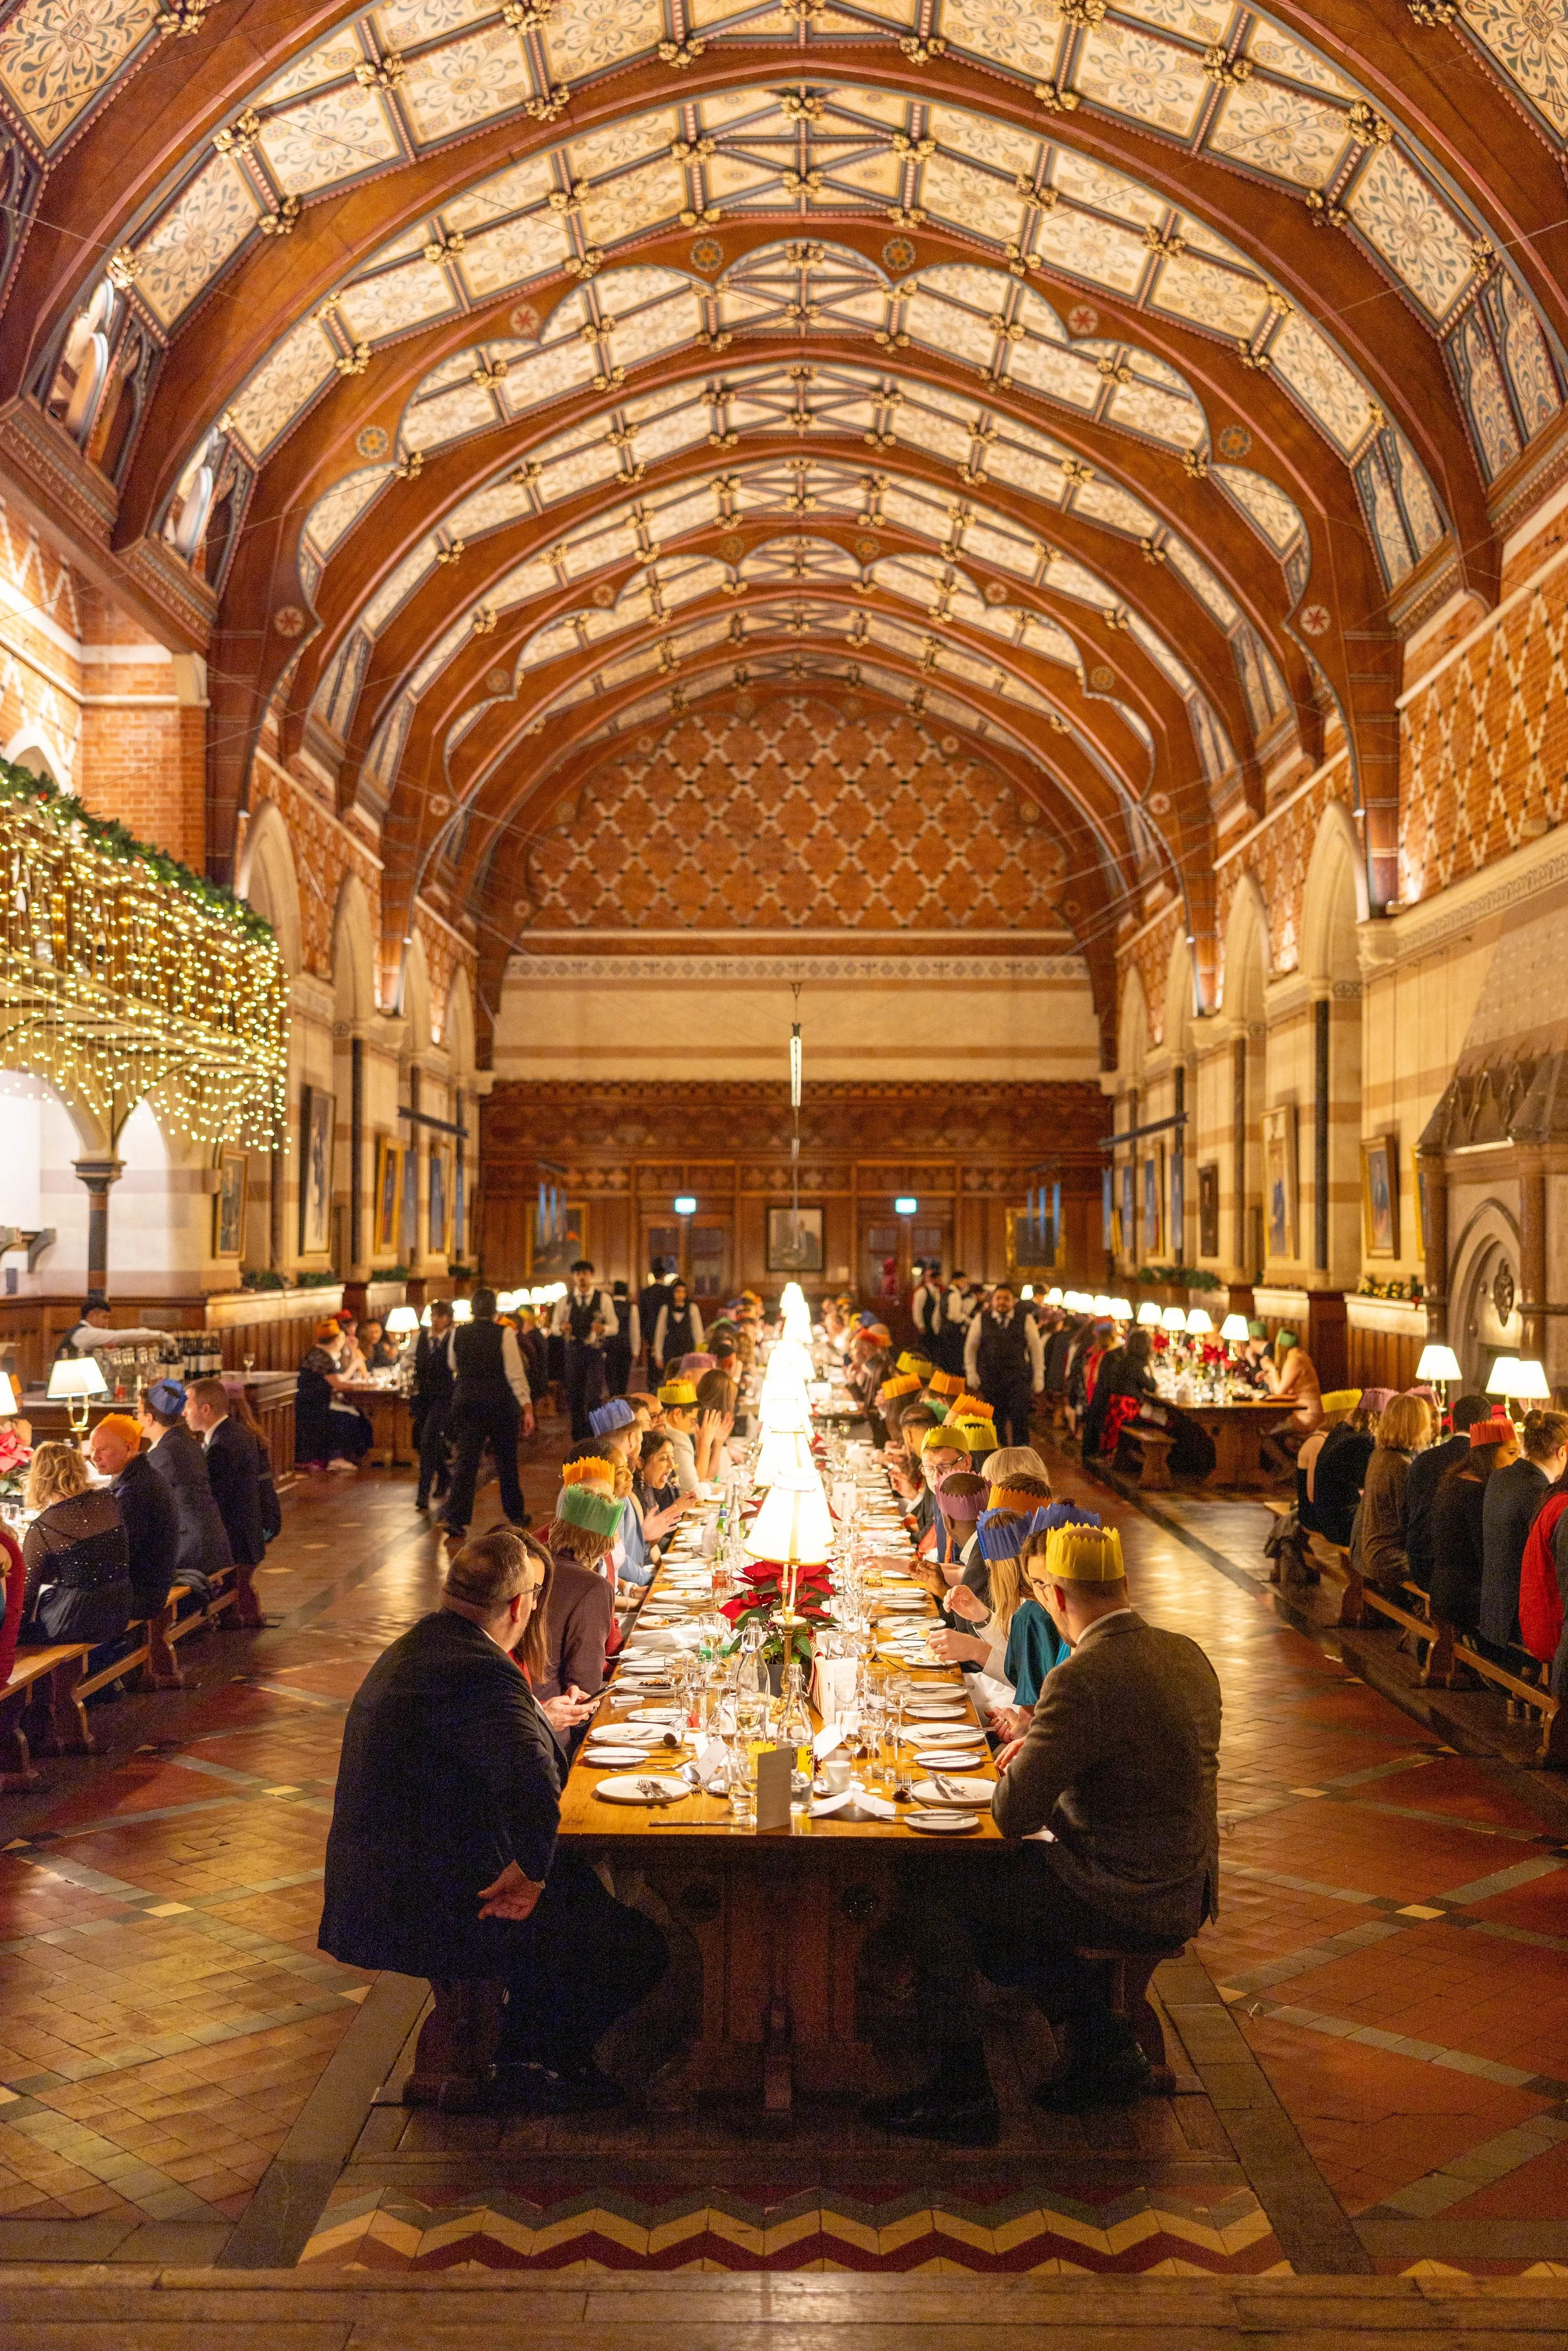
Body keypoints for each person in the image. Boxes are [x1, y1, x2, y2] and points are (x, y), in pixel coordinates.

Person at [866, 1522, 1220, 2141]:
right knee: (999, 1913)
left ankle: (963, 2094)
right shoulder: (1186, 1652)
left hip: (1123, 1888)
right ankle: (1103, 2046)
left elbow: (1012, 1816)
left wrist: (1033, 1756)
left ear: (1054, 1596)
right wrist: (1048, 1746)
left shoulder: (1082, 1676)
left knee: (933, 1884)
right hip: (1187, 1879)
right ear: (1123, 1584)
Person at [319, 1528, 664, 2111]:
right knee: (636, 1946)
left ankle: (521, 2044)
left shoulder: (427, 1645)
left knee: (581, 1888)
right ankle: (534, 2062)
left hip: (399, 1874)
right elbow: (533, 1782)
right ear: (520, 1606)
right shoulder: (479, 1671)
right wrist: (530, 1873)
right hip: (437, 1895)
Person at [443, 1288, 536, 1543]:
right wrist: (527, 1407)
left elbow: (452, 1364)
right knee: (506, 1460)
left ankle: (456, 1519)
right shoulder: (505, 1333)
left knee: (466, 1462)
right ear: (495, 1309)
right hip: (498, 1403)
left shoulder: (459, 1332)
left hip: (467, 1401)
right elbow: (515, 1373)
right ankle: (515, 1513)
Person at [19, 1440, 132, 1646]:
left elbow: (26, 1593)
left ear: (40, 1476)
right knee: (49, 1597)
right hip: (119, 1608)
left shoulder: (44, 1526)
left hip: (78, 1619)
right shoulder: (107, 1498)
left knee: (27, 1630)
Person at [1480, 1407, 1568, 1655]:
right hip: (1518, 1620)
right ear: (1563, 1452)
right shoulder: (1542, 1494)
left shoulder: (1500, 1477)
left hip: (1492, 1612)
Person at [139, 1377, 231, 1600]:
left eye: (138, 1413)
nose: (136, 1418)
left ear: (149, 1419)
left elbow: (143, 1499)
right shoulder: (184, 1441)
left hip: (193, 1550)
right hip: (212, 1541)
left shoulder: (164, 1454)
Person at [539, 1463, 621, 1711]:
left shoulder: (538, 1563)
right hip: (558, 1714)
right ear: (605, 1546)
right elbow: (585, 1685)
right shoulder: (593, 1587)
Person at [85, 1413, 179, 1624]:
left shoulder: (135, 1490)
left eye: (103, 1449)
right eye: (92, 1450)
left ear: (128, 1449)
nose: (94, 1457)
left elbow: (114, 1552)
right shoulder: (138, 1477)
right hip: (142, 1588)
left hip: (140, 1596)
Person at [184, 1377, 265, 1624]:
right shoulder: (236, 1432)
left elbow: (213, 1499)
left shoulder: (221, 1446)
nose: (184, 1413)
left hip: (236, 1543)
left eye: (188, 1406)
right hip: (248, 1535)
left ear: (205, 1409)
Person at [1429, 1416, 1518, 1637]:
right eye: (1511, 1453)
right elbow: (1488, 1559)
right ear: (1489, 1454)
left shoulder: (1456, 1481)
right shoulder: (1477, 1494)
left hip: (1444, 1588)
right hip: (1464, 1596)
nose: (1518, 1461)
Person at [1406, 1392, 1490, 1592]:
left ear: (1452, 1424)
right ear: (1488, 1426)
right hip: (1452, 1574)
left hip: (1418, 1562)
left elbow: (1406, 1513)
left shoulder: (1423, 1459)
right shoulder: (1483, 1463)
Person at [1354, 1391, 1429, 1593]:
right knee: (1443, 1568)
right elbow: (1410, 1522)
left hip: (1369, 1548)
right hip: (1387, 1557)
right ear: (1415, 1425)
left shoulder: (1380, 1455)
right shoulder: (1400, 1465)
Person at [963, 1282, 1044, 1449]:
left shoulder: (1026, 1319)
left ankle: (1022, 1457)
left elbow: (1036, 1349)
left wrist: (1039, 1376)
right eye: (998, 1298)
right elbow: (971, 1348)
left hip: (1018, 1378)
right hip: (991, 1379)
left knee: (1020, 1420)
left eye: (1006, 1299)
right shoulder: (981, 1318)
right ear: (993, 1300)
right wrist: (971, 1372)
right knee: (995, 1422)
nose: (1002, 1302)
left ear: (1014, 1301)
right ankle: (998, 1457)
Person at [1298, 1390, 1380, 1548]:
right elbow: (1312, 1494)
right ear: (1346, 1413)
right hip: (1313, 1514)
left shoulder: (1332, 1438)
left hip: (1319, 1512)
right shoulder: (1320, 1441)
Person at [551, 1261, 618, 1441]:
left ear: (591, 1275)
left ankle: (595, 1433)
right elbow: (554, 1327)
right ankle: (578, 1436)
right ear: (574, 1277)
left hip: (594, 1352)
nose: (581, 1277)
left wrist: (603, 1328)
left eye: (585, 1273)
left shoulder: (603, 1298)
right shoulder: (565, 1301)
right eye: (578, 1274)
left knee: (593, 1395)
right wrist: (562, 1328)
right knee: (575, 1395)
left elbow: (614, 1326)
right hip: (573, 1352)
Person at [295, 1323, 374, 1473]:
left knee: (357, 1414)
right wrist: (362, 1383)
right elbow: (339, 1383)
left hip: (318, 1403)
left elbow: (339, 1380)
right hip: (313, 1407)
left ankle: (349, 1456)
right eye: (343, 1338)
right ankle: (335, 1458)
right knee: (351, 1417)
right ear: (337, 1340)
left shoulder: (321, 1354)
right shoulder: (321, 1357)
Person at [412, 1300, 456, 1514]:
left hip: (444, 1397)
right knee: (424, 1441)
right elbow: (409, 1360)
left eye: (440, 1316)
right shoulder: (421, 1338)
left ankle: (423, 1493)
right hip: (423, 1397)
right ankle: (445, 1476)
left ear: (448, 1319)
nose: (435, 1320)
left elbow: (455, 1365)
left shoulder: (453, 1338)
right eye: (433, 1315)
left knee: (429, 1438)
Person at [57, 1295, 169, 1357]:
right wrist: (161, 1335)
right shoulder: (84, 1333)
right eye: (105, 1317)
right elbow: (118, 1336)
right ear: (92, 1315)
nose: (107, 1323)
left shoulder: (81, 1332)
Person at [657, 1377, 702, 1496]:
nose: (693, 1427)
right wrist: (711, 1488)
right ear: (677, 1414)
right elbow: (692, 1490)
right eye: (692, 1420)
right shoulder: (676, 1438)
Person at [649, 1279, 702, 1378]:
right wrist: (658, 1356)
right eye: (678, 1292)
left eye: (683, 1292)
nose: (681, 1295)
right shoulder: (666, 1309)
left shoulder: (692, 1308)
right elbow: (660, 1333)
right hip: (670, 1349)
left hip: (687, 1349)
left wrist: (699, 1353)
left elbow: (698, 1332)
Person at [637, 1258, 675, 1375]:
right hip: (667, 1331)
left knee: (652, 1362)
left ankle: (652, 1381)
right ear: (664, 1276)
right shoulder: (669, 1291)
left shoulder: (645, 1292)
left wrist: (644, 1334)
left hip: (650, 1330)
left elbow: (642, 1315)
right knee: (666, 1362)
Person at [604, 1282, 639, 1399]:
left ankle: (613, 1401)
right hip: (625, 1347)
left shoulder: (608, 1306)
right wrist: (636, 1350)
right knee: (623, 1381)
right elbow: (635, 1330)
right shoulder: (632, 1308)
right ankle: (621, 1402)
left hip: (609, 1348)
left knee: (611, 1381)